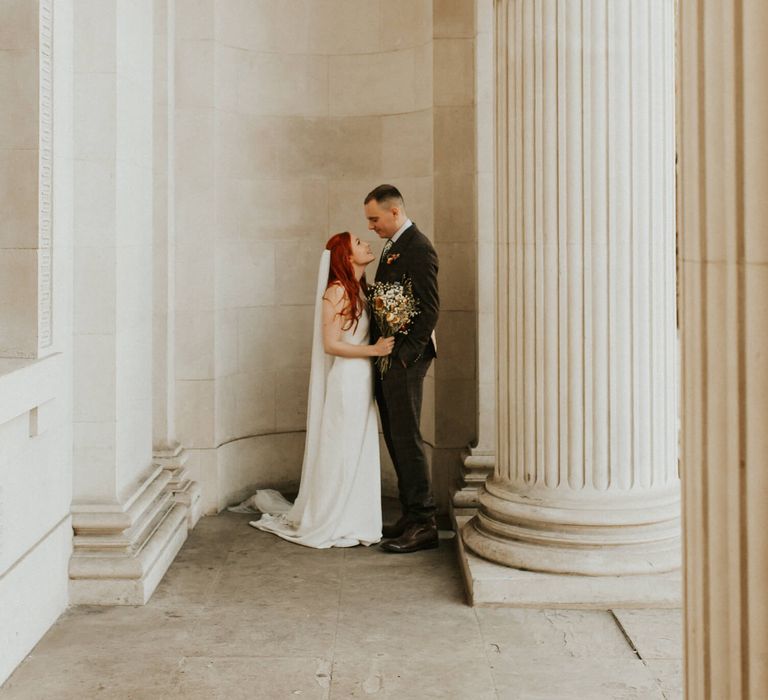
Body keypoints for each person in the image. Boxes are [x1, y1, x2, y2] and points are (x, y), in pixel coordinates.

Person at [247, 232, 394, 548]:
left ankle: (355, 516)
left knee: (358, 447)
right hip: (348, 380)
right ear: (345, 255)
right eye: (357, 243)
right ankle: (335, 517)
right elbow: (331, 344)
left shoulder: (360, 291)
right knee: (342, 448)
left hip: (362, 378)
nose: (366, 244)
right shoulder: (336, 292)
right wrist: (375, 351)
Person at [364, 184, 440, 554]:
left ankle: (424, 522)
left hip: (406, 359)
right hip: (387, 356)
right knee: (394, 434)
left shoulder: (419, 247)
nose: (371, 227)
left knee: (407, 436)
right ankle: (411, 515)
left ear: (394, 213)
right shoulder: (392, 245)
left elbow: (429, 308)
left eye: (374, 219)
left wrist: (406, 356)